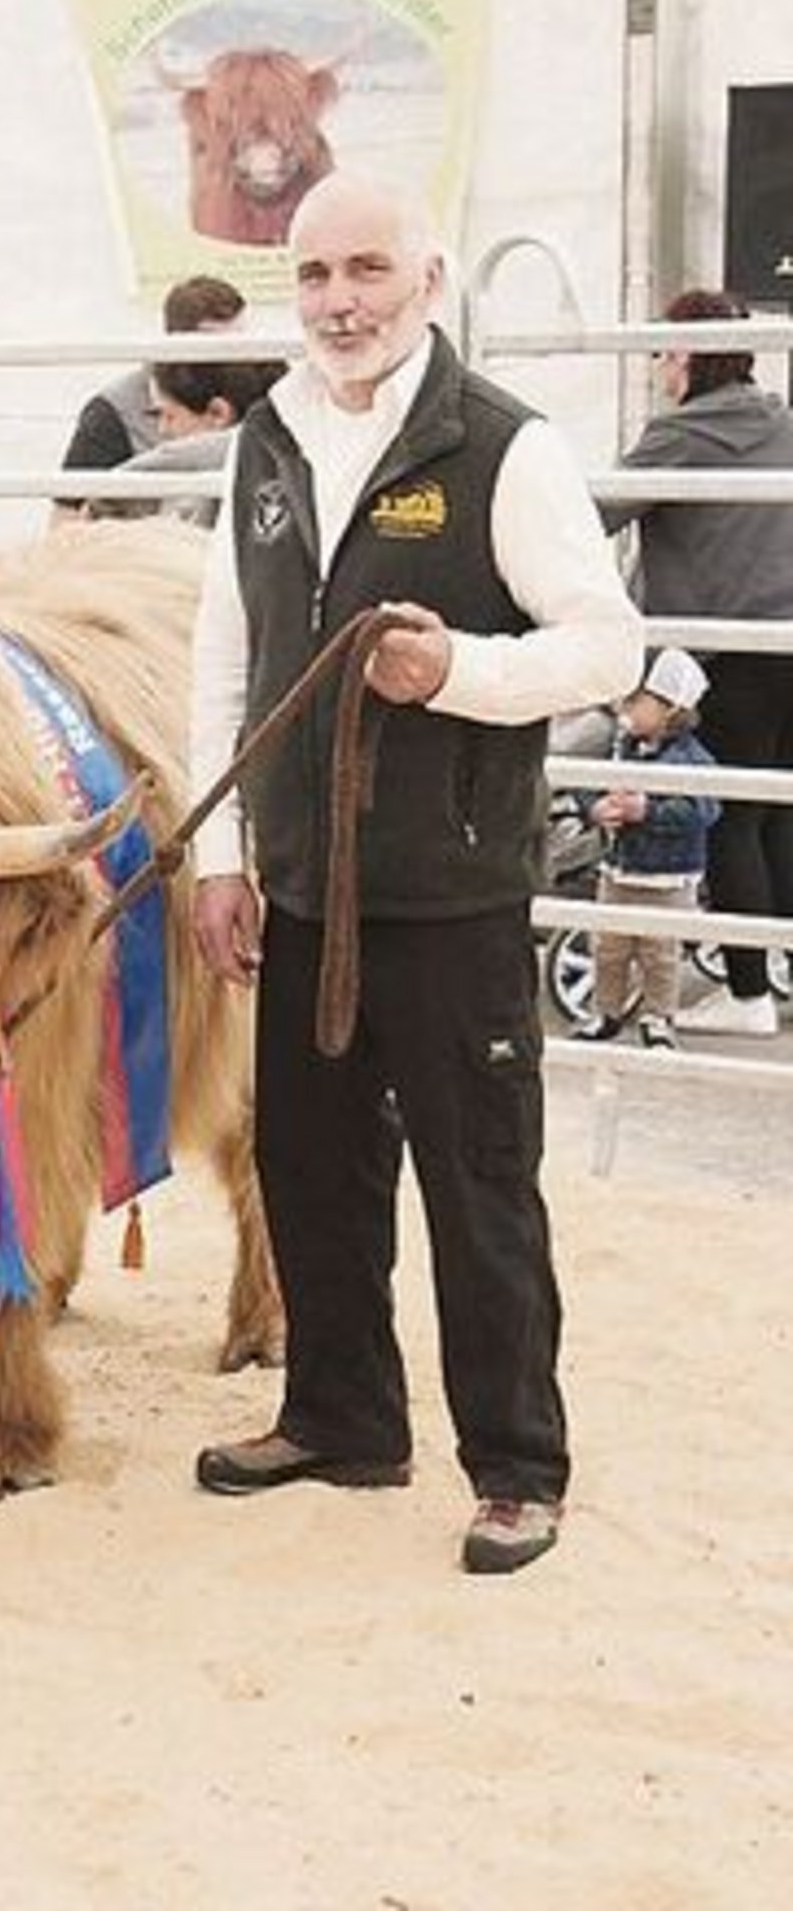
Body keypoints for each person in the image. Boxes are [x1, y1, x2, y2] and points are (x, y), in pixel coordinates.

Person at [188, 171, 642, 1575]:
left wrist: (460, 671)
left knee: (478, 1182)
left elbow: (605, 646)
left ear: (428, 281)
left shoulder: (501, 446)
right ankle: (341, 1418)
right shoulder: (263, 441)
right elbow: (226, 655)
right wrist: (221, 854)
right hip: (303, 889)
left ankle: (516, 1466)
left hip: (449, 895)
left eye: (367, 272)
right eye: (316, 276)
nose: (339, 303)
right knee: (312, 1170)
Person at [606, 287, 793, 1038]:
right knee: (778, 814)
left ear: (682, 353)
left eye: (659, 350)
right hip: (791, 646)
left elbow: (588, 516)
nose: (656, 367)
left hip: (728, 653)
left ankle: (748, 994)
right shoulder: (785, 423)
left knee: (727, 822)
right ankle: (776, 968)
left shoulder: (677, 435)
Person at [573, 647, 721, 1050]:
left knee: (660, 953)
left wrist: (648, 811)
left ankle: (658, 1016)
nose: (627, 708)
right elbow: (587, 780)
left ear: (670, 709)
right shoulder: (620, 747)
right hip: (618, 869)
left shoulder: (691, 760)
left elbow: (704, 810)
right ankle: (606, 1010)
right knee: (608, 947)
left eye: (638, 701)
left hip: (667, 880)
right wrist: (596, 808)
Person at [60, 274, 248, 474]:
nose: (236, 354)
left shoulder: (258, 389)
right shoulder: (114, 408)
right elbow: (69, 502)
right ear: (175, 340)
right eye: (216, 345)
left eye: (244, 340)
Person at [82, 356, 286, 526]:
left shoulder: (185, 463)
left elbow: (100, 503)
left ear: (218, 413)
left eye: (167, 415)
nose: (162, 429)